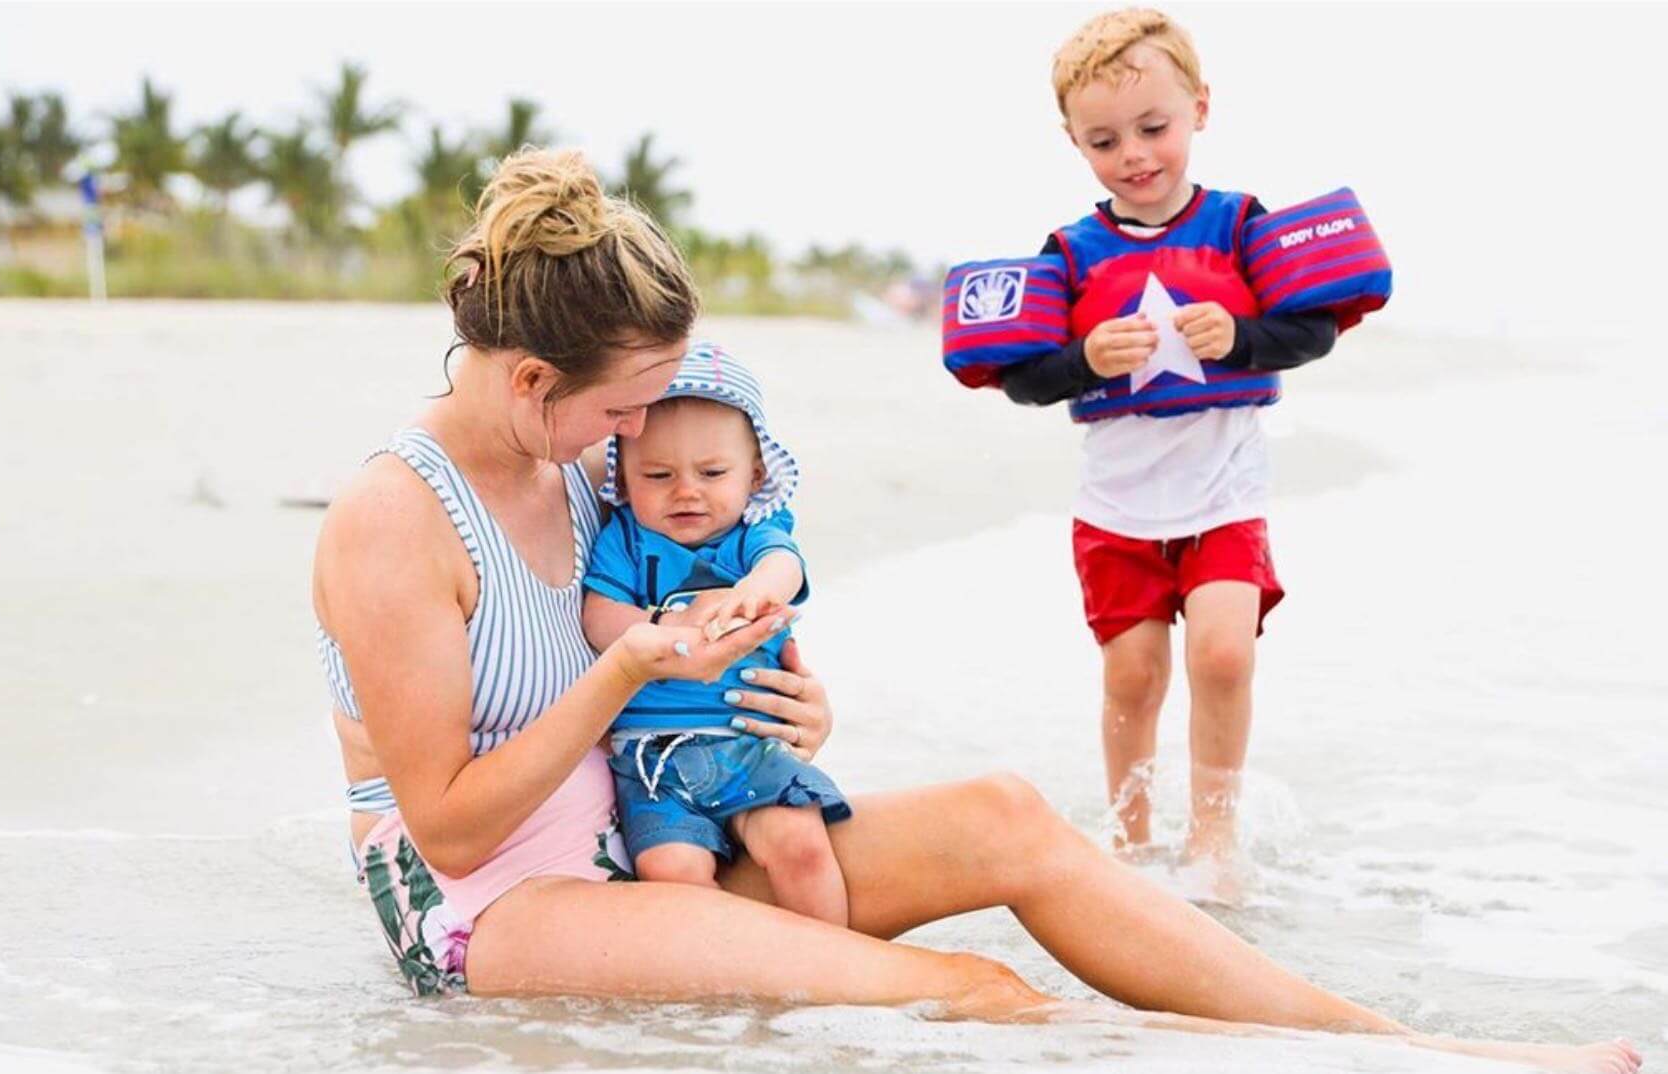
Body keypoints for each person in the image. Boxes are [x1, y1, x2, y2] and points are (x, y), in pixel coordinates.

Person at [310, 146, 1639, 1074]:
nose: (635, 436)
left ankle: (1392, 1045)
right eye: (618, 408)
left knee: (1007, 810)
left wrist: (782, 694)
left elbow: (689, 625)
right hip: (492, 898)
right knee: (974, 996)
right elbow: (450, 815)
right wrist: (625, 672)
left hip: (656, 806)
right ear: (532, 377)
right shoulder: (398, 516)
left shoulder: (580, 454)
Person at [998, 8, 1338, 867]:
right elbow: (1024, 377)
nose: (1137, 155)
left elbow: (1314, 330)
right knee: (1134, 676)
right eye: (1107, 140)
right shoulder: (1068, 253)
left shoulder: (1241, 224)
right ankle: (1131, 838)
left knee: (1223, 655)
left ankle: (1213, 836)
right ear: (1075, 144)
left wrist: (1245, 338)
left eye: (1155, 128)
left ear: (1200, 109)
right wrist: (1083, 357)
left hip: (1224, 492)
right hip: (1117, 509)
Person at [582, 342, 851, 925]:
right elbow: (598, 616)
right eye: (657, 474)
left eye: (712, 473)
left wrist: (751, 592)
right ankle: (718, 987)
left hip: (749, 742)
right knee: (671, 871)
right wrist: (663, 624)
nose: (686, 491)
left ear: (755, 474)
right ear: (623, 480)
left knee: (801, 845)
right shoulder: (627, 540)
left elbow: (785, 567)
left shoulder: (755, 533)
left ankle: (833, 968)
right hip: (650, 757)